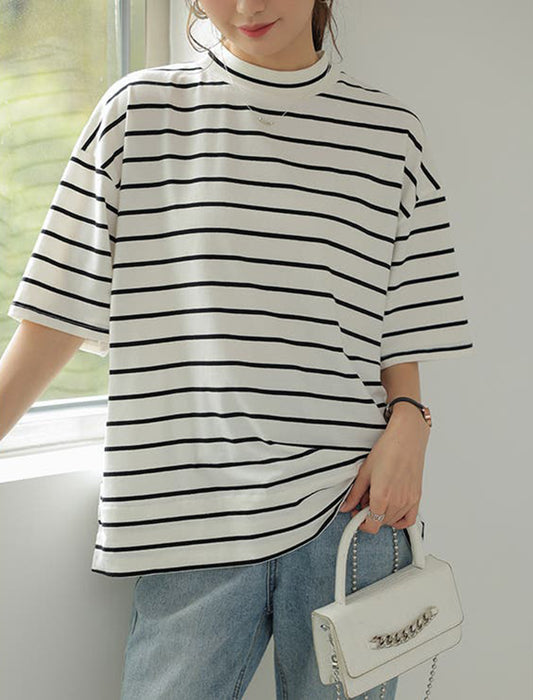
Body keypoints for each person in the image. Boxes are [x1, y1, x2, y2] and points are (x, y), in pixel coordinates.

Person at [0, 1, 475, 698]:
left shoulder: (390, 135)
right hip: (191, 520)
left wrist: (412, 422)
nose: (247, 5)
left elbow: (399, 320)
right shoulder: (139, 115)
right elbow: (54, 312)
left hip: (352, 515)